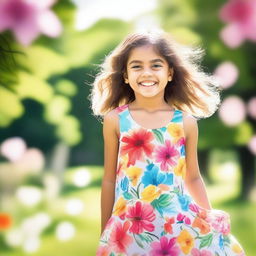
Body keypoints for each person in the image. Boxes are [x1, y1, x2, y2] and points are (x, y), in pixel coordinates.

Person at [90, 29, 246, 256]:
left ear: (170, 73)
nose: (146, 73)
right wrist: (105, 230)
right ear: (125, 75)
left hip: (176, 225)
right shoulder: (115, 120)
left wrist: (209, 220)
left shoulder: (186, 122)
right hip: (129, 228)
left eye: (155, 65)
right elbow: (108, 179)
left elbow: (193, 176)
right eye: (136, 66)